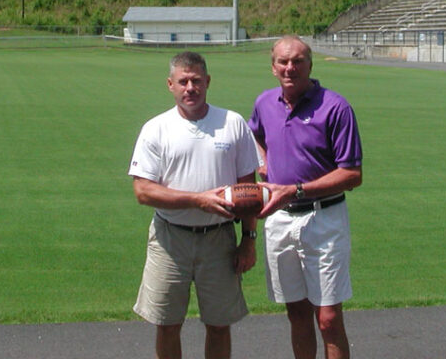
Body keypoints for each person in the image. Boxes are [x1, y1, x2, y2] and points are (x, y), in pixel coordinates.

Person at [129, 51, 260, 359]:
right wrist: (198, 200)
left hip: (219, 239)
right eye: (183, 81)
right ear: (170, 84)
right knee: (167, 323)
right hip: (169, 239)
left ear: (208, 82)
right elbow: (143, 191)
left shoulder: (232, 123)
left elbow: (248, 190)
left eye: (197, 81)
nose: (190, 88)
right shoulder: (156, 128)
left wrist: (249, 241)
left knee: (218, 324)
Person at [249, 35, 363, 359]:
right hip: (280, 219)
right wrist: (263, 162)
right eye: (283, 62)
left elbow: (352, 174)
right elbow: (253, 133)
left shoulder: (335, 106)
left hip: (323, 219)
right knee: (296, 314)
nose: (290, 68)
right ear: (273, 67)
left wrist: (295, 190)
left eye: (298, 61)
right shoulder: (264, 103)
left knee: (327, 319)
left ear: (310, 65)